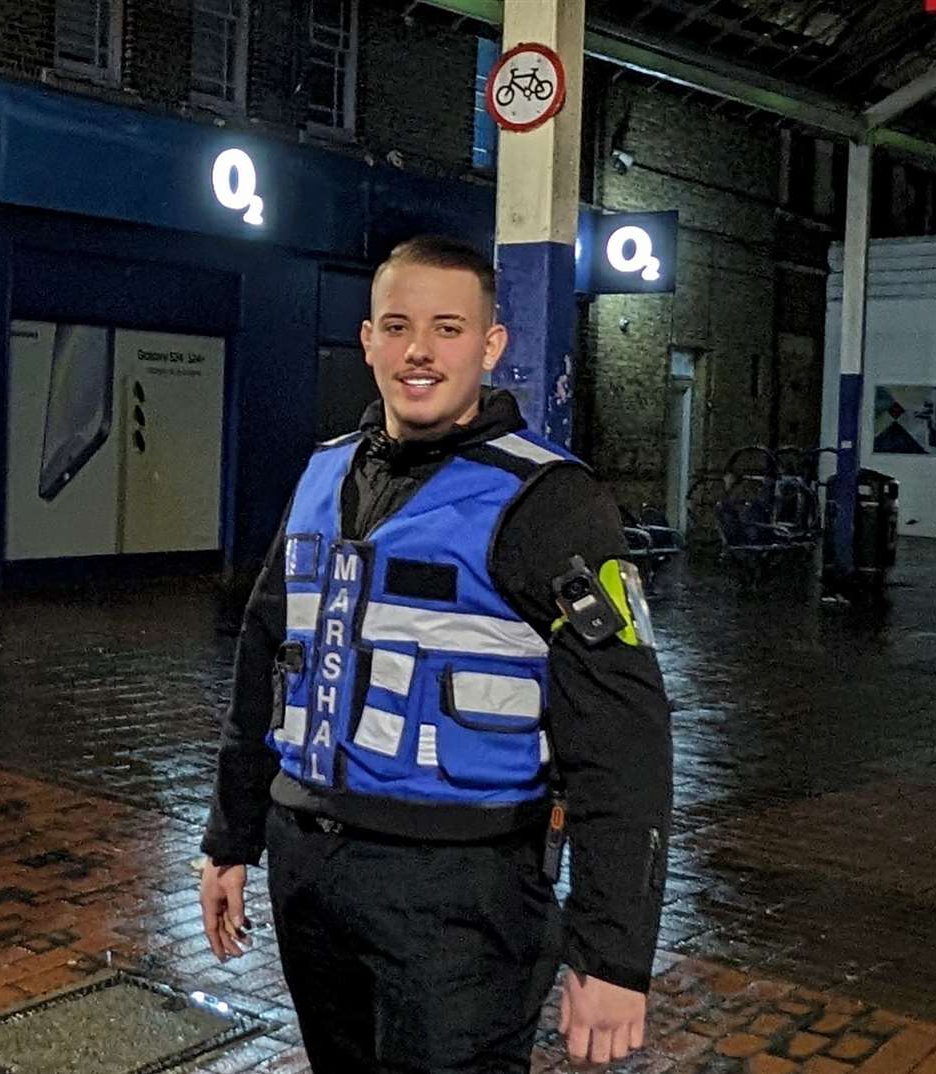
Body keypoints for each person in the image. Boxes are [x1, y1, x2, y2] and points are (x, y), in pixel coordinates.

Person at [199, 236, 673, 1073]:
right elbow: (263, 659)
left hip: (462, 897)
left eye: (448, 328)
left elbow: (623, 739)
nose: (420, 350)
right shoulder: (320, 474)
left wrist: (612, 954)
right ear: (369, 340)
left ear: (491, 346)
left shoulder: (550, 502)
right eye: (399, 326)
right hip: (310, 876)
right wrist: (230, 838)